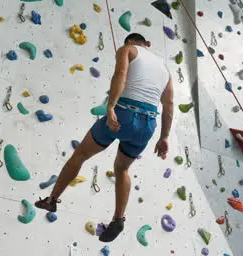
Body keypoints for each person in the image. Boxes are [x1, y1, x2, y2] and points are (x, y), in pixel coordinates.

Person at [35, 33, 174, 242]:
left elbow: (120, 74)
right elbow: (169, 104)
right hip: (148, 125)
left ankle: (52, 199)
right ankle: (118, 218)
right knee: (123, 169)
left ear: (130, 42)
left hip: (124, 114)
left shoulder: (127, 49)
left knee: (80, 155)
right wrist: (164, 137)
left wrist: (110, 106)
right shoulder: (165, 69)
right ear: (148, 44)